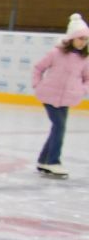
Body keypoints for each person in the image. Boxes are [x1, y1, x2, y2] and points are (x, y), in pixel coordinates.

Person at [29, 12, 87, 178]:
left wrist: (81, 90)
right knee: (59, 127)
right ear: (71, 39)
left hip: (67, 98)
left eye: (85, 39)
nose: (83, 42)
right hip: (49, 95)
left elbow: (87, 78)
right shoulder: (56, 53)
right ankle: (53, 161)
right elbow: (38, 68)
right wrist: (37, 85)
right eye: (80, 38)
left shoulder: (84, 59)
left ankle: (43, 160)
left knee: (57, 127)